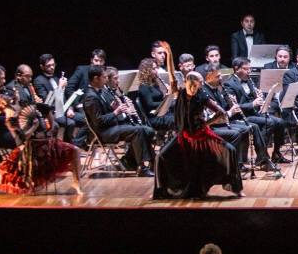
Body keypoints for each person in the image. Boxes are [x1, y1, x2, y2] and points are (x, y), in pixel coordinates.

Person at [153, 42, 243, 199]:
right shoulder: (180, 92)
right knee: (161, 156)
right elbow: (171, 73)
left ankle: (236, 188)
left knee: (230, 150)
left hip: (201, 135)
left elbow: (221, 113)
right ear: (190, 82)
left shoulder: (202, 95)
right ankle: (164, 190)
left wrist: (206, 124)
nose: (201, 85)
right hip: (184, 136)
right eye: (199, 83)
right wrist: (169, 54)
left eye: (201, 83)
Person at [0, 98, 82, 197]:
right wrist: (33, 127)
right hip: (28, 147)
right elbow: (21, 139)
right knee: (6, 170)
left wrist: (50, 127)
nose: (10, 98)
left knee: (75, 150)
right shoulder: (10, 120)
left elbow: (46, 110)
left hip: (46, 143)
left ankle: (76, 183)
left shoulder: (24, 106)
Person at [82, 65, 155, 177]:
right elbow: (98, 121)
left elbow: (107, 112)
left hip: (110, 127)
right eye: (104, 77)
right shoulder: (90, 97)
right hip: (102, 132)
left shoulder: (99, 92)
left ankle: (132, 160)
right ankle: (142, 168)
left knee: (145, 130)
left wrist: (117, 108)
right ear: (96, 78)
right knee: (138, 131)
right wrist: (116, 112)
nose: (106, 79)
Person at [136, 58, 175, 133]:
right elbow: (150, 104)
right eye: (153, 69)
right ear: (147, 71)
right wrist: (167, 103)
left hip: (163, 114)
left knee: (182, 114)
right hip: (154, 118)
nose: (156, 71)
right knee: (177, 119)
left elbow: (160, 99)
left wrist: (168, 95)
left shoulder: (155, 84)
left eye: (156, 68)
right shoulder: (144, 86)